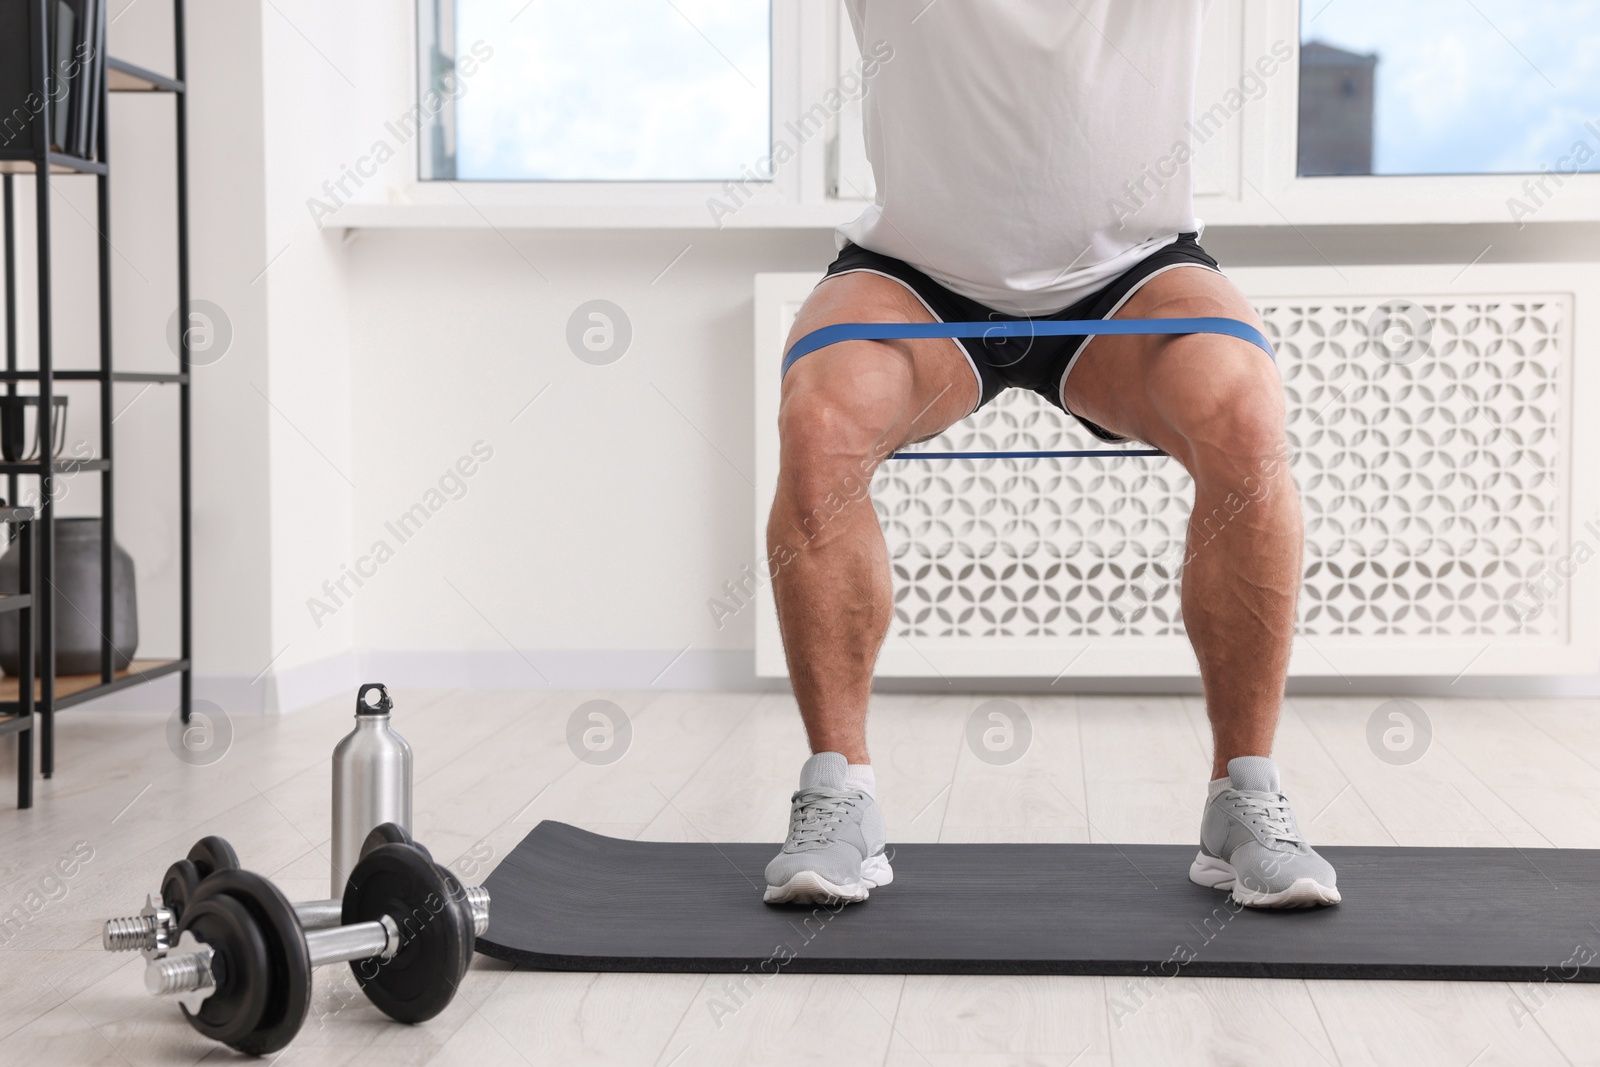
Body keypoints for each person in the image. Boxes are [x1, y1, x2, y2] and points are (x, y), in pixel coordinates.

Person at [762, 0, 1340, 910]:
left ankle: (1245, 796)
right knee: (821, 421)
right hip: (916, 277)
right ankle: (841, 797)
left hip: (1131, 271)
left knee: (1243, 409)